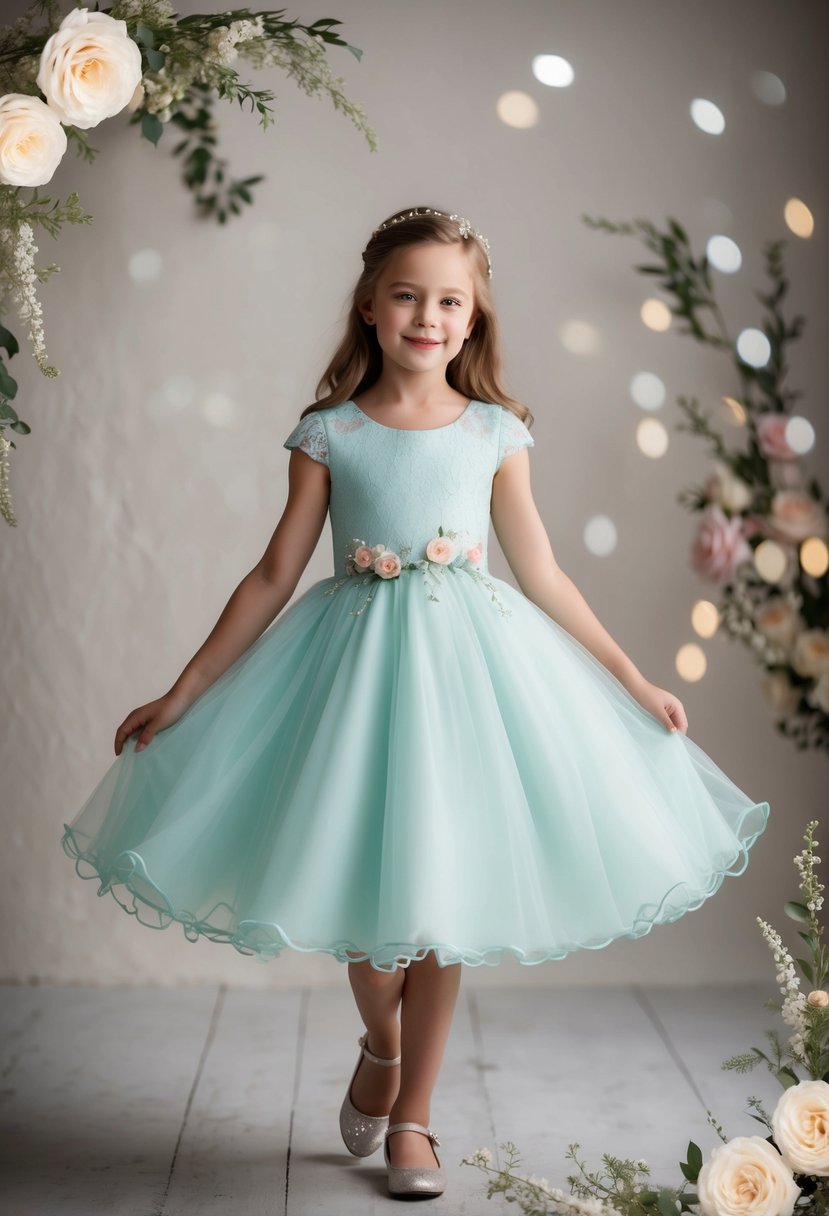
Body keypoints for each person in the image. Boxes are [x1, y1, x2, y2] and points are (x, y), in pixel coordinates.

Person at [61, 205, 770, 1201]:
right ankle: (383, 1042)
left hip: (470, 683)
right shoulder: (329, 432)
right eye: (406, 295)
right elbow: (272, 575)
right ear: (368, 306)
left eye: (448, 299)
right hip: (350, 679)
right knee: (371, 906)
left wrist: (630, 675)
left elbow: (545, 573)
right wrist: (183, 690)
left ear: (473, 318)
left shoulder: (493, 431)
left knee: (443, 900)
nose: (427, 315)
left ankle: (414, 1121)